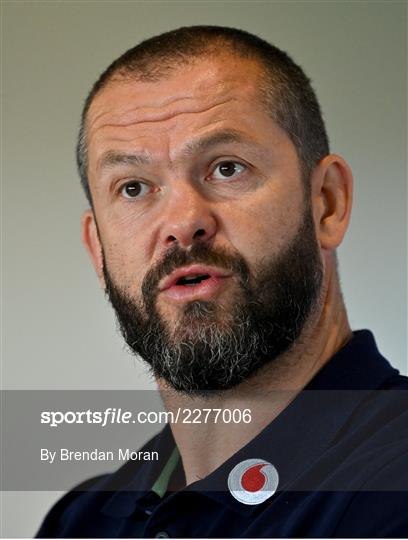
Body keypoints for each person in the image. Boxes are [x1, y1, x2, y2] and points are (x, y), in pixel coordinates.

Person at [37, 26, 408, 538]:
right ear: (98, 249)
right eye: (134, 186)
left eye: (227, 168)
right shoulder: (79, 522)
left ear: (327, 202)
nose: (182, 221)